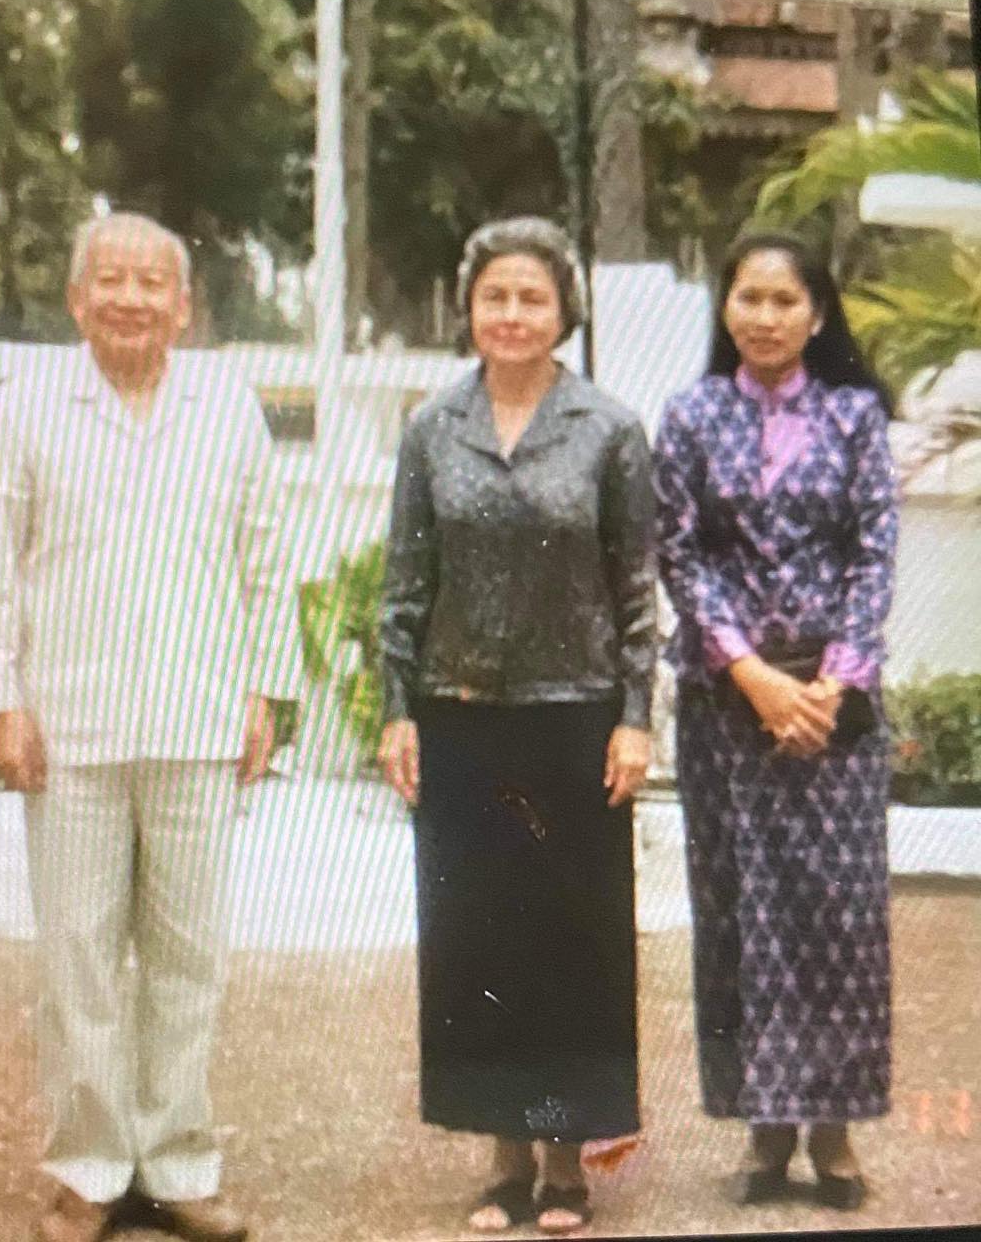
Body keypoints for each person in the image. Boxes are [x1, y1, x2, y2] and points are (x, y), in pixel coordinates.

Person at [0, 212, 304, 1242]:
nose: (131, 299)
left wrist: (262, 690)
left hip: (197, 717)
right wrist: (2, 700)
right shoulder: (27, 404)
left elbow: (265, 558)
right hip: (70, 726)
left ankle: (181, 1162)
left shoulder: (226, 406)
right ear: (77, 298)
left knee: (190, 960)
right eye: (110, 279)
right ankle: (91, 1166)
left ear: (184, 306)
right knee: (81, 958)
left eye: (153, 283)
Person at [377, 217, 656, 1236]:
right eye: (494, 294)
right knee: (479, 940)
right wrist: (396, 709)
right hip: (460, 716)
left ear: (562, 309)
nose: (511, 313)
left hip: (574, 717)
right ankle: (502, 1158)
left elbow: (636, 587)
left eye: (531, 296)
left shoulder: (608, 429)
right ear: (469, 306)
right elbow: (405, 581)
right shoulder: (430, 428)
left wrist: (637, 717)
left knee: (569, 941)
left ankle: (563, 1159)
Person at [653, 231, 897, 1210]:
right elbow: (680, 552)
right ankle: (764, 1131)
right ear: (725, 309)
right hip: (729, 703)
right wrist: (752, 675)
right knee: (743, 913)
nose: (764, 317)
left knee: (839, 918)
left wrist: (831, 685)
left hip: (835, 709)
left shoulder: (854, 417)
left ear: (818, 314)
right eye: (747, 298)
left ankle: (834, 1133)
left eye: (784, 300)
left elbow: (873, 553)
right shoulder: (691, 416)